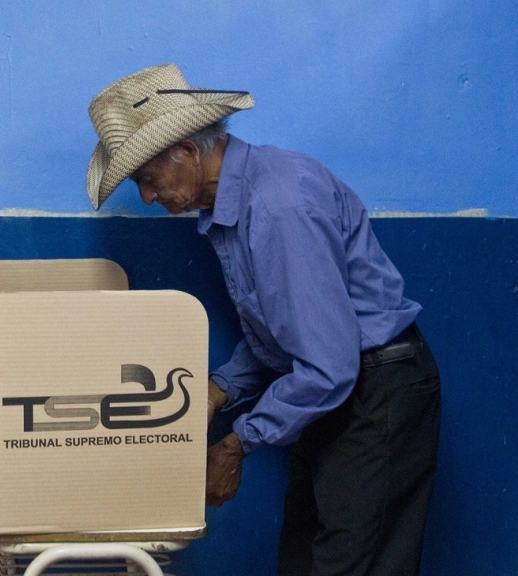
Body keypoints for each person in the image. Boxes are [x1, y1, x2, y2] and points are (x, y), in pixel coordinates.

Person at [85, 63, 441, 575]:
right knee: (303, 561)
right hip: (336, 392)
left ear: (186, 151)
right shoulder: (232, 209)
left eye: (147, 179)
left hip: (375, 392)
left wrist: (236, 444)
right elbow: (287, 329)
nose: (147, 197)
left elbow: (326, 364)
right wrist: (218, 390)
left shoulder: (277, 207)